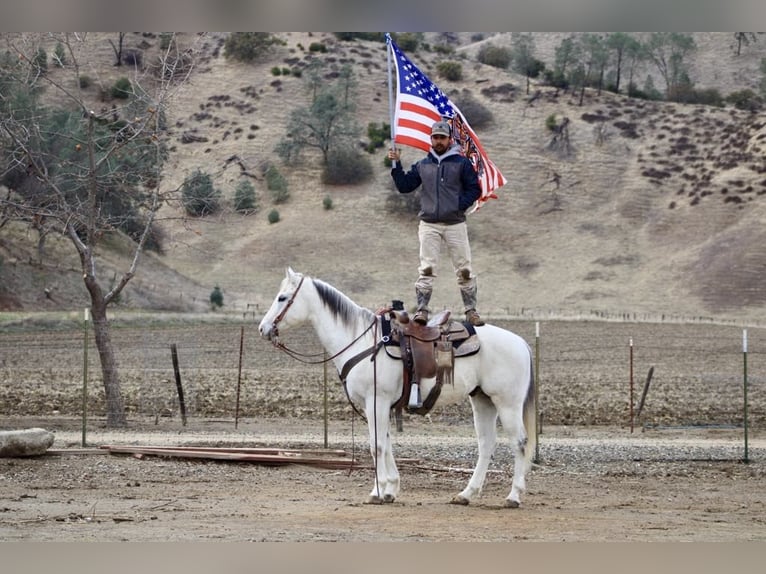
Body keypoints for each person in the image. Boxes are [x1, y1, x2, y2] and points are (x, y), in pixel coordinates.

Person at [388, 120, 485, 327]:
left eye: (442, 137)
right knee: (427, 269)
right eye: (435, 137)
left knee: (464, 269)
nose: (438, 141)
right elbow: (405, 186)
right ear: (431, 139)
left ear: (450, 139)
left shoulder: (462, 163)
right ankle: (422, 310)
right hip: (429, 223)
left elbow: (474, 189)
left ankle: (471, 311)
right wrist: (396, 165)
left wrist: (458, 205)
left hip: (455, 223)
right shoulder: (423, 165)